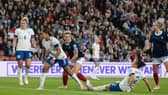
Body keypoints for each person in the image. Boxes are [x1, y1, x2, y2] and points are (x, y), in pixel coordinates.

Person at [87, 51, 153, 92]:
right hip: (122, 84)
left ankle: (92, 89)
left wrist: (129, 88)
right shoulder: (141, 72)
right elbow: (146, 81)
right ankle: (94, 88)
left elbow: (132, 78)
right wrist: (150, 90)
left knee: (106, 87)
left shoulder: (131, 69)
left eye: (134, 61)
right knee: (112, 84)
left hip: (122, 87)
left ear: (135, 64)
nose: (132, 62)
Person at [143, 20, 168, 89]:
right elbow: (150, 45)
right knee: (155, 72)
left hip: (164, 54)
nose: (153, 26)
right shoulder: (152, 35)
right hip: (155, 55)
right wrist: (146, 48)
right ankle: (157, 85)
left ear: (158, 26)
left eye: (155, 25)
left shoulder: (164, 34)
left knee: (167, 68)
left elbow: (167, 44)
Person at [12, 17, 36, 86]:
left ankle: (25, 76)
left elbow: (33, 39)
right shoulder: (17, 30)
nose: (22, 24)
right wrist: (14, 48)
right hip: (19, 49)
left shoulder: (30, 30)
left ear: (27, 24)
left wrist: (34, 45)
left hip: (28, 49)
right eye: (21, 23)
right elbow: (14, 40)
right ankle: (20, 80)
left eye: (24, 23)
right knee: (20, 63)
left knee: (28, 65)